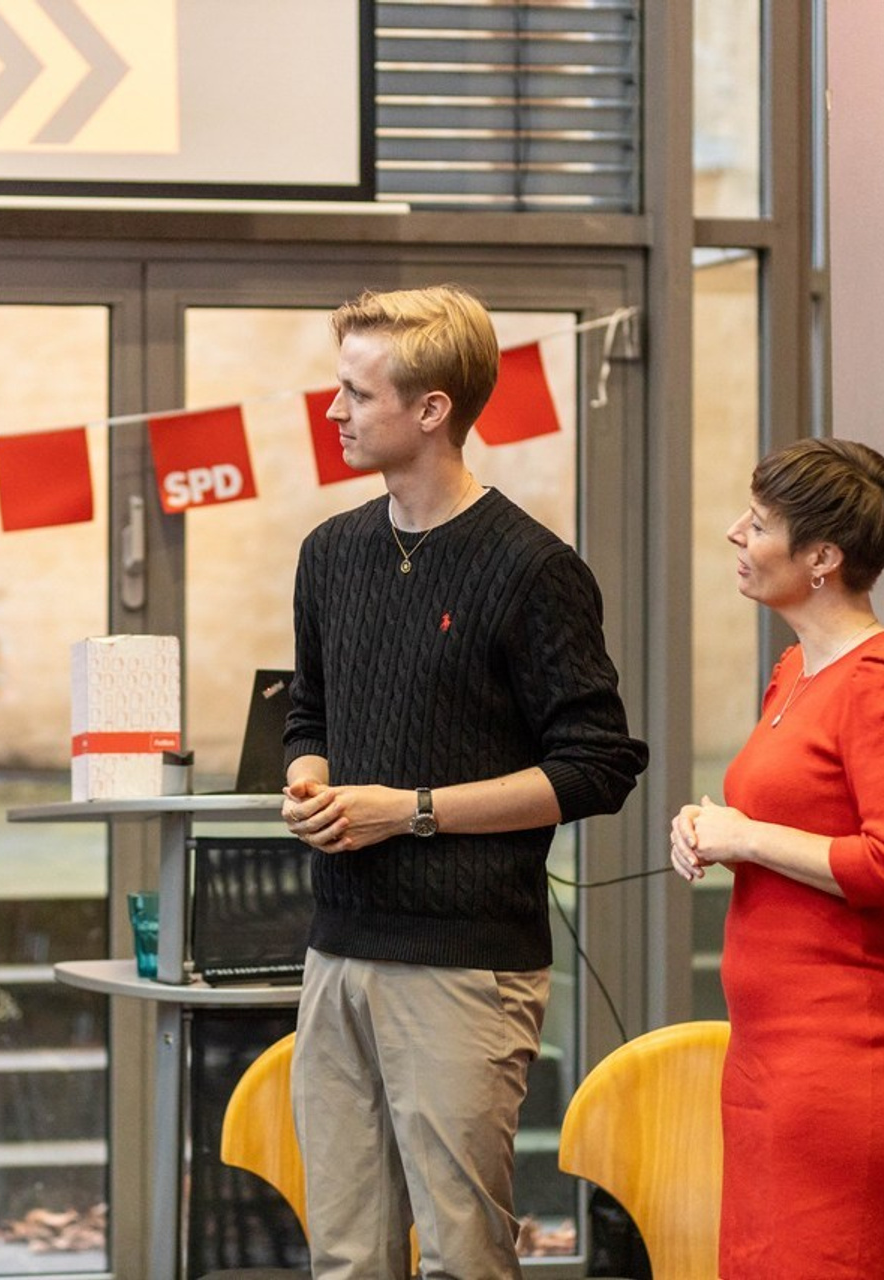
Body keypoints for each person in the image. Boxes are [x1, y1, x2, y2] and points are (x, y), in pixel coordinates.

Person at [281, 284, 647, 1279]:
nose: (333, 410)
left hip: (462, 965)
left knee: (460, 1256)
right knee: (346, 1255)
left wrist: (411, 811)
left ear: (431, 407)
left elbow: (598, 763)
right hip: (336, 948)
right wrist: (307, 775)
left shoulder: (532, 569)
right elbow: (305, 711)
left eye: (354, 393)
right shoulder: (330, 552)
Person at [670, 437, 884, 1278]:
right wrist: (711, 830)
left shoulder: (871, 682)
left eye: (758, 524)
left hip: (836, 1058)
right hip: (763, 1052)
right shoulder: (795, 668)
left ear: (823, 557)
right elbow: (795, 823)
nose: (735, 535)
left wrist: (747, 836)